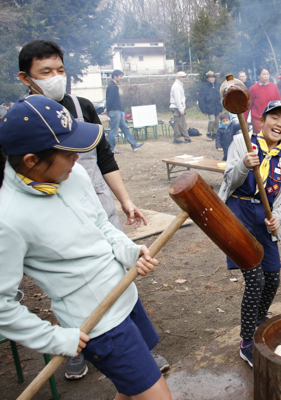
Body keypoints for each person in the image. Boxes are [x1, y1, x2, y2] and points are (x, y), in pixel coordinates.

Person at [0, 95, 171, 400]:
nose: (78, 158)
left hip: (125, 295)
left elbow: (102, 226)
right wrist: (52, 338)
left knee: (133, 390)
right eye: (66, 151)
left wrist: (128, 251)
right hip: (100, 324)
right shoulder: (8, 219)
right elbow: (2, 305)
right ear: (31, 161)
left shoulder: (72, 174)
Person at [17, 39, 166, 379]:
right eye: (46, 72)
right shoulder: (21, 120)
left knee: (117, 270)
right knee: (73, 280)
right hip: (53, 211)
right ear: (26, 78)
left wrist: (125, 201)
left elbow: (103, 157)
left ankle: (139, 351)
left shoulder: (82, 106)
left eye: (60, 70)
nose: (56, 77)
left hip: (95, 197)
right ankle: (77, 345)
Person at [218, 101, 281, 367]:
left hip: (264, 222)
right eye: (274, 118)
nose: (279, 124)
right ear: (262, 120)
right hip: (238, 215)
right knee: (255, 280)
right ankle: (246, 341)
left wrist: (278, 218)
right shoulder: (242, 143)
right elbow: (228, 182)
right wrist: (244, 164)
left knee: (273, 277)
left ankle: (258, 318)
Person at [106, 70, 143, 154]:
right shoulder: (112, 86)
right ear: (115, 76)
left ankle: (134, 144)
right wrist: (108, 110)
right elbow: (109, 99)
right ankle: (110, 148)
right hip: (115, 111)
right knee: (114, 131)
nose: (121, 78)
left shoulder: (114, 86)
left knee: (125, 128)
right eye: (120, 76)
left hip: (117, 111)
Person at [244, 67, 281, 135]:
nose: (266, 76)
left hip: (272, 119)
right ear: (258, 76)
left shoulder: (274, 86)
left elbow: (279, 103)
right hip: (258, 120)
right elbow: (247, 106)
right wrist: (244, 121)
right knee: (262, 140)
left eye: (267, 74)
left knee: (273, 139)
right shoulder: (253, 88)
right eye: (263, 74)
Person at [197, 71, 222, 141]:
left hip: (217, 107)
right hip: (209, 107)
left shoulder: (218, 86)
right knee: (212, 120)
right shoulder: (204, 87)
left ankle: (215, 133)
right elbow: (201, 99)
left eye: (213, 77)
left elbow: (221, 96)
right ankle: (209, 133)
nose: (212, 79)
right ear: (207, 78)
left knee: (217, 122)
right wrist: (203, 110)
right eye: (210, 77)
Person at [170, 71, 191, 144]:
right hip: (176, 107)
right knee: (178, 124)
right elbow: (177, 99)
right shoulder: (176, 86)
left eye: (185, 77)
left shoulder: (179, 85)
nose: (184, 78)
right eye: (183, 77)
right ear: (178, 78)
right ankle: (176, 139)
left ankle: (186, 137)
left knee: (183, 123)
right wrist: (180, 109)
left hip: (179, 107)